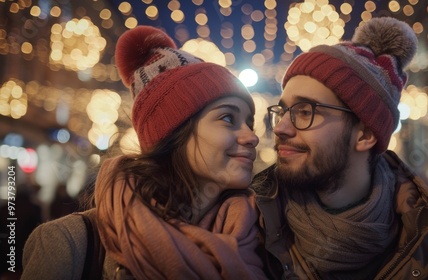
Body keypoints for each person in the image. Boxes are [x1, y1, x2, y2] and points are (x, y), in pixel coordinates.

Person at [252, 17, 428, 279]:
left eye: (305, 111)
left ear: (365, 134)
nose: (281, 128)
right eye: (283, 111)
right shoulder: (247, 248)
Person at [22, 26, 266, 279]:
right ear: (174, 131)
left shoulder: (267, 236)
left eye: (249, 121)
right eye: (228, 118)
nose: (252, 136)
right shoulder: (71, 242)